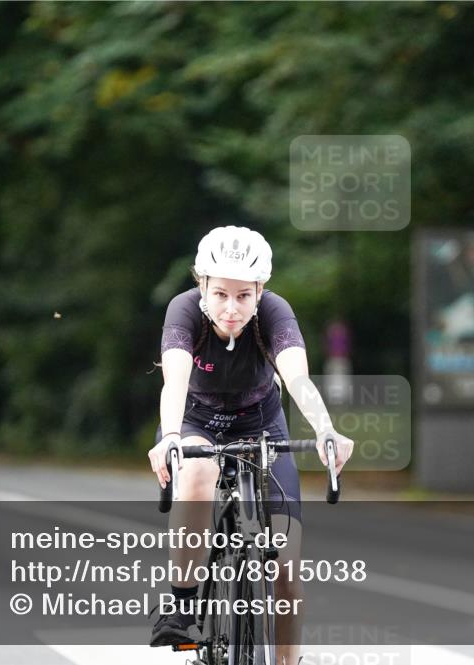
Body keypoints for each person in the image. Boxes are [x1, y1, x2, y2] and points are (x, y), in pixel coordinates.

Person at [147, 225, 354, 665]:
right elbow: (175, 382)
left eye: (245, 295)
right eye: (220, 293)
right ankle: (182, 605)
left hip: (261, 425)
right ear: (202, 284)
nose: (232, 308)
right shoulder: (183, 310)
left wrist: (325, 430)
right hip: (193, 420)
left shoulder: (275, 313)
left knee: (287, 572)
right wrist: (168, 439)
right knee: (199, 472)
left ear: (260, 290)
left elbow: (297, 377)